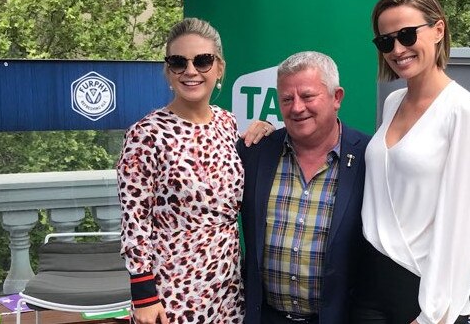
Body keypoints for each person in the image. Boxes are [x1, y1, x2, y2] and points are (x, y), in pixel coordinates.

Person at [351, 0, 470, 324]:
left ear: (438, 29)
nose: (397, 49)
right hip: (370, 277)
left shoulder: (464, 112)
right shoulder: (393, 102)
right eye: (386, 41)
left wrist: (435, 313)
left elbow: (463, 219)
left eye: (407, 35)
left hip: (420, 288)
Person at [116, 17, 273, 324]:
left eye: (202, 61)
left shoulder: (227, 124)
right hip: (171, 294)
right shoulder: (145, 134)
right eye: (178, 62)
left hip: (227, 290)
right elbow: (134, 220)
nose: (190, 71)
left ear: (219, 68)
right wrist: (143, 295)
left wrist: (265, 130)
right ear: (168, 70)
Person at [238, 51, 371, 324]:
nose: (297, 108)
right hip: (265, 317)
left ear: (337, 98)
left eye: (308, 96)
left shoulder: (369, 157)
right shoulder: (255, 151)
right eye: (287, 99)